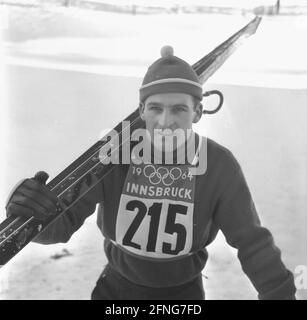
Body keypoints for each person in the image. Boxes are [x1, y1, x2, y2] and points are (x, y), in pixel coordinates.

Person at [6, 46, 296, 300]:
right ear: (142, 110)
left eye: (178, 109)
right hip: (116, 289)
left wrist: (279, 293)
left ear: (197, 112)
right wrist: (30, 212)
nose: (165, 121)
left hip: (182, 294)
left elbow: (252, 243)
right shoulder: (114, 156)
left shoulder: (219, 164)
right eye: (155, 108)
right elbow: (62, 225)